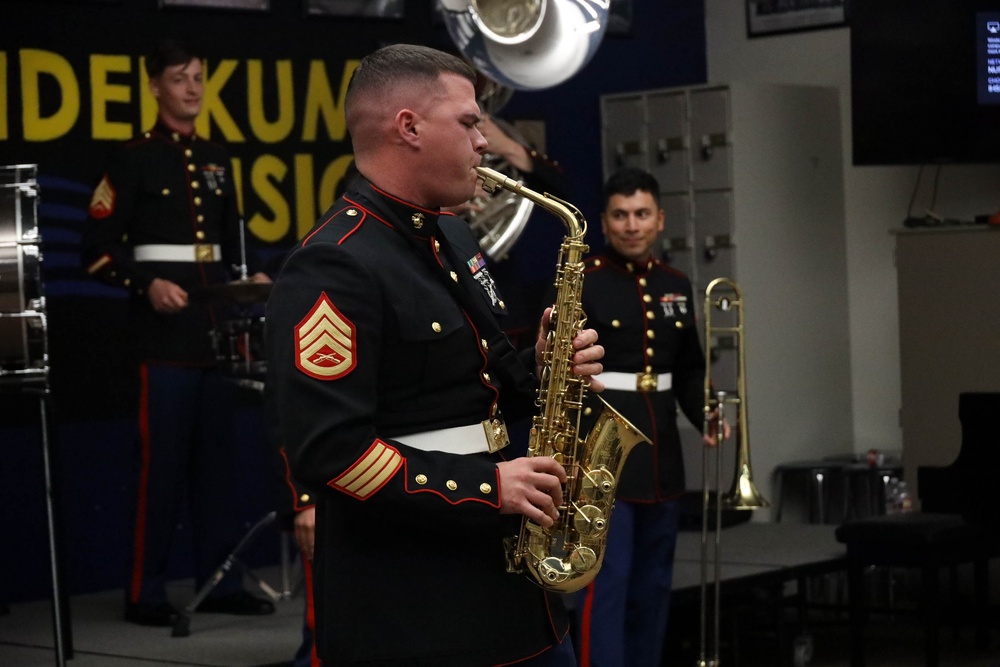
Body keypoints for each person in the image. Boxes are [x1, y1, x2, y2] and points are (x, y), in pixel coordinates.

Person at [265, 43, 607, 667]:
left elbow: (473, 380)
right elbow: (330, 452)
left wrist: (543, 365)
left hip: (510, 590)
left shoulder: (449, 231)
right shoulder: (335, 263)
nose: (484, 142)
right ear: (409, 127)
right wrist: (486, 488)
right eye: (471, 122)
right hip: (417, 608)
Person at [81, 38, 275, 627]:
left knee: (219, 470)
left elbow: (230, 240)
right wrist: (146, 285)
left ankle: (218, 582)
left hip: (212, 338)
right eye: (179, 77)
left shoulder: (217, 156)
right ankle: (145, 592)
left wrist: (251, 278)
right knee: (158, 474)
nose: (191, 87)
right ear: (155, 86)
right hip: (160, 343)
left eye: (198, 77)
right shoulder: (133, 157)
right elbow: (95, 251)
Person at [572, 167, 729, 667]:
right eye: (620, 215)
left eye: (641, 214)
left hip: (662, 457)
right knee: (607, 586)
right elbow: (564, 379)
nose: (632, 225)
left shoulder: (676, 285)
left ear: (660, 219)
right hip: (603, 459)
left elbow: (687, 369)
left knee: (655, 584)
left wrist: (707, 415)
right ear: (604, 222)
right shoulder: (586, 282)